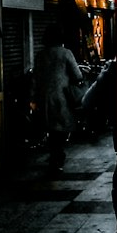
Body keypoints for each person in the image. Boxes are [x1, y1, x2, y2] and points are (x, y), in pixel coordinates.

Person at [33, 25, 83, 170]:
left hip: (43, 98)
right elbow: (77, 75)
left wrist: (33, 99)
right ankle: (57, 156)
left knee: (50, 128)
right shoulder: (66, 53)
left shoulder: (40, 55)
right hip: (62, 98)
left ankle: (55, 155)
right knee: (60, 129)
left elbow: (35, 79)